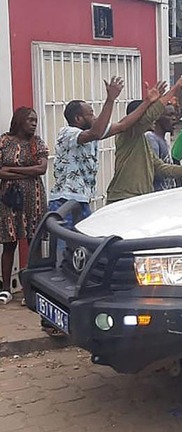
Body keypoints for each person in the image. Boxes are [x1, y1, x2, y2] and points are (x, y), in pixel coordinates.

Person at [48, 77, 145, 226]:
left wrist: (148, 102)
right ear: (78, 118)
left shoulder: (91, 133)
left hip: (82, 201)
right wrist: (110, 100)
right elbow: (96, 133)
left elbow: (122, 125)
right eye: (91, 114)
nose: (94, 117)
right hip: (65, 202)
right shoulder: (68, 133)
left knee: (83, 246)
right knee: (63, 247)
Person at [106, 78, 182, 204]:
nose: (153, 120)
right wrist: (174, 90)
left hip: (139, 198)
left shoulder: (142, 140)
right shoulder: (129, 133)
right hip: (125, 198)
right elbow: (151, 115)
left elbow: (159, 167)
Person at [0, 108, 48, 303]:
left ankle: (32, 289)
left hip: (34, 200)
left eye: (35, 120)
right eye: (30, 120)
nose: (34, 123)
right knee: (9, 243)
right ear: (19, 121)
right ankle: (5, 289)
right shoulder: (4, 141)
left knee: (33, 242)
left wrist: (11, 169)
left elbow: (42, 168)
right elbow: (0, 173)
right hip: (8, 201)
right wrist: (28, 172)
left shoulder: (37, 143)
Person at [146, 104, 181, 191]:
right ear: (157, 117)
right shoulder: (151, 138)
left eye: (175, 115)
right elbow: (155, 169)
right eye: (169, 115)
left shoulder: (164, 141)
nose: (174, 118)